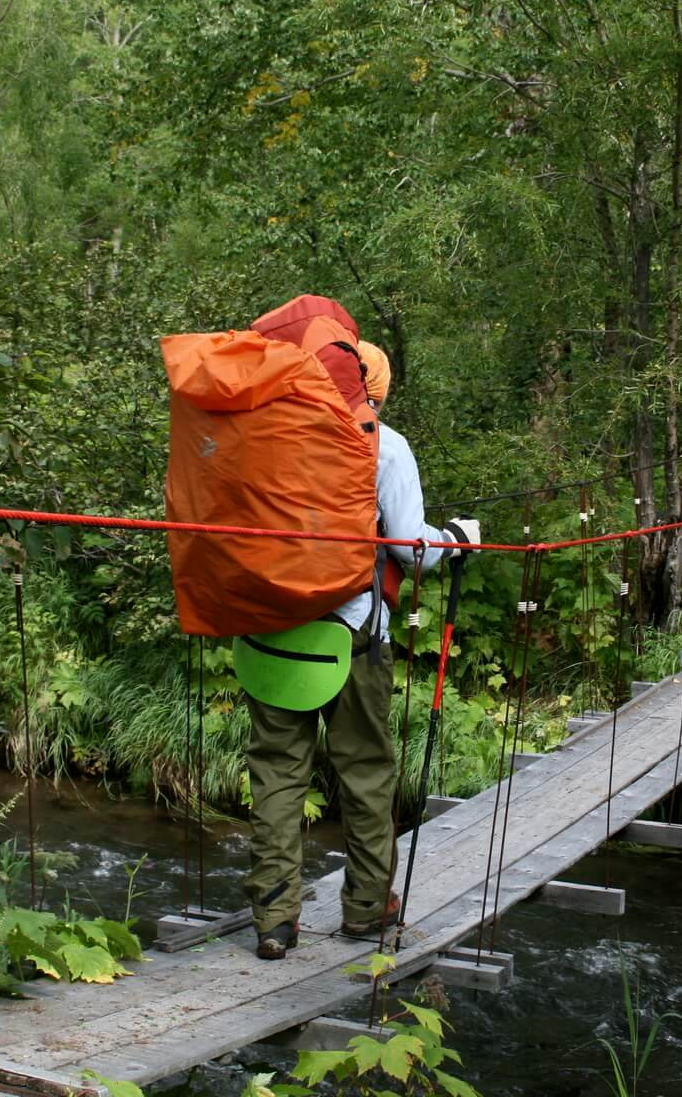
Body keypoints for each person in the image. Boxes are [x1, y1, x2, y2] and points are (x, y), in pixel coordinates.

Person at [245, 338, 478, 959]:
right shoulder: (384, 443)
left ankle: (273, 922)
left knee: (274, 774)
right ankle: (367, 910)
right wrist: (457, 541)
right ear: (367, 384)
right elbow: (409, 547)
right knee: (366, 773)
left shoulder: (262, 433)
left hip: (267, 632)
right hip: (352, 635)